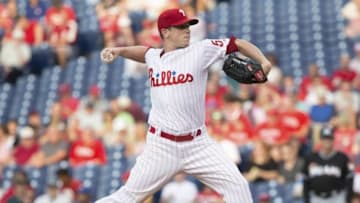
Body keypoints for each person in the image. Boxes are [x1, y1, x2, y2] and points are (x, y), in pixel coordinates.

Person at [97, 8, 271, 203]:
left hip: (198, 144)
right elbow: (143, 52)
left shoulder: (201, 50)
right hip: (161, 146)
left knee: (238, 186)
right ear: (165, 32)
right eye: (181, 27)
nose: (187, 30)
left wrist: (264, 62)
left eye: (188, 25)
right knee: (127, 196)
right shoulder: (154, 57)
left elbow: (237, 43)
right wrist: (119, 51)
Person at [303, 125, 350, 203]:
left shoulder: (342, 157)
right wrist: (306, 199)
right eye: (325, 139)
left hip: (336, 198)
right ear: (320, 140)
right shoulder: (311, 157)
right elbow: (305, 180)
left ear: (333, 139)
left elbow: (349, 180)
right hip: (315, 198)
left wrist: (348, 199)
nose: (327, 141)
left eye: (329, 138)